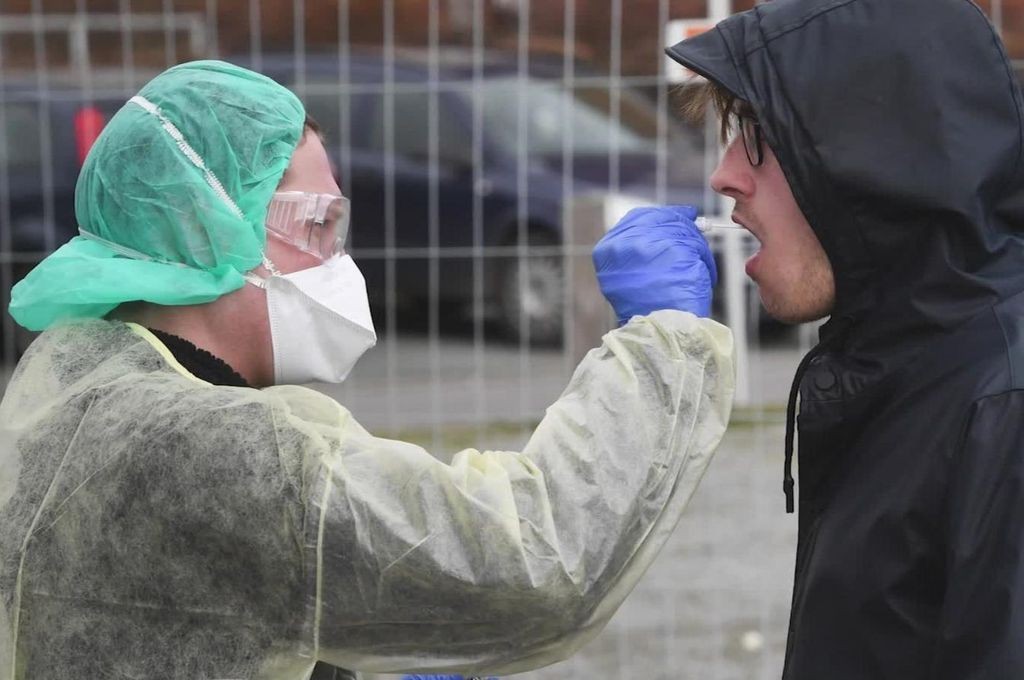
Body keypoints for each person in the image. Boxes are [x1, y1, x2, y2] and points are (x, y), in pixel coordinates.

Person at [0, 61, 733, 678]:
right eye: (315, 225)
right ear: (200, 231)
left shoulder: (72, 379)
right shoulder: (224, 450)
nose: (337, 258)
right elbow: (535, 564)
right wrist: (661, 341)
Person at [665, 0, 1024, 677]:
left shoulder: (1003, 407)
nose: (724, 176)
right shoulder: (900, 367)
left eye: (760, 133)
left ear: (875, 158)